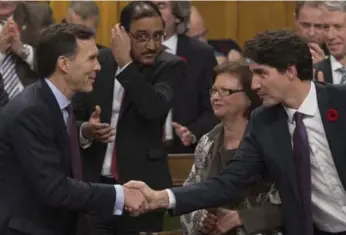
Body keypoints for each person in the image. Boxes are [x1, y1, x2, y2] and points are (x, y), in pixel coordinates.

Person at [125, 29, 346, 235]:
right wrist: (161, 198)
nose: (255, 84)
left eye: (261, 73)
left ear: (290, 71)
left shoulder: (341, 102)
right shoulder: (264, 122)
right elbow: (228, 182)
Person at [0, 23, 146, 235]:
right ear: (64, 64)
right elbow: (54, 189)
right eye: (91, 58)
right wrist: (120, 195)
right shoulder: (31, 111)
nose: (98, 67)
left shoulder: (54, 104)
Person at [72, 1, 185, 235]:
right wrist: (86, 130)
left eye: (158, 36)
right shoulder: (98, 63)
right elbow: (69, 118)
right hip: (95, 187)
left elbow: (153, 108)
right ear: (122, 34)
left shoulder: (169, 66)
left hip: (141, 190)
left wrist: (126, 64)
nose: (152, 45)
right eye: (142, 36)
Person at [180, 60, 281, 235]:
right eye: (214, 91)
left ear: (249, 97)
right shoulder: (207, 142)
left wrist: (243, 218)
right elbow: (189, 192)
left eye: (225, 91)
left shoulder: (270, 142)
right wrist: (200, 217)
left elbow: (286, 203)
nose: (215, 97)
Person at [152, 0, 218, 153]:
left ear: (178, 15)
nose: (152, 11)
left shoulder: (202, 55)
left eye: (161, 6)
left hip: (184, 152)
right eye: (147, 5)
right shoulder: (128, 53)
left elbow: (213, 109)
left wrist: (193, 133)